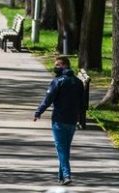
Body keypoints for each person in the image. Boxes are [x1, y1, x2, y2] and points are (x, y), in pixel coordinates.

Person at [33, 57, 85, 186]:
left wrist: (38, 112)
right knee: (65, 148)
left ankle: (67, 175)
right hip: (72, 120)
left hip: (59, 120)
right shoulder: (78, 82)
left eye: (58, 65)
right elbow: (82, 103)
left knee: (61, 149)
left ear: (64, 65)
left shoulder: (58, 81)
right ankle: (61, 177)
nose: (55, 67)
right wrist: (81, 119)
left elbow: (48, 98)